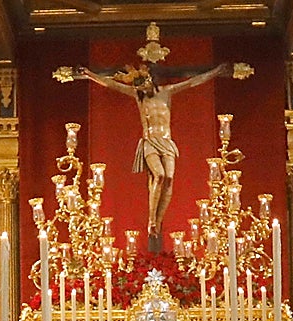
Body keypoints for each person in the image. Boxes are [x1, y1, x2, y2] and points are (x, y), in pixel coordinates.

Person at [72, 61, 230, 243]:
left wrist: (216, 71)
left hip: (166, 141)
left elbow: (193, 82)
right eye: (138, 85)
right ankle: (151, 220)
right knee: (160, 176)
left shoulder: (166, 92)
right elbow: (112, 84)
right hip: (149, 141)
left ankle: (158, 222)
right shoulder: (138, 97)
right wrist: (90, 74)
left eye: (144, 83)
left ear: (150, 80)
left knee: (169, 179)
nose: (142, 88)